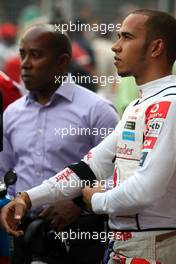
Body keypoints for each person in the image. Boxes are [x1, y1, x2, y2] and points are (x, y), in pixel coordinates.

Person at [2, 8, 176, 263]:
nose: (115, 47)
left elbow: (145, 189)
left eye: (126, 37)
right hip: (126, 246)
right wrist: (27, 198)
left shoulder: (169, 104)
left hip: (152, 248)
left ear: (156, 47)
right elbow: (89, 166)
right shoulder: (140, 105)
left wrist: (94, 201)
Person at [0, 24, 118, 264]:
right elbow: (5, 175)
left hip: (80, 235)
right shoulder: (11, 113)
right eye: (23, 54)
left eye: (36, 55)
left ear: (62, 62)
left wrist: (80, 205)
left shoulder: (97, 111)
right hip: (23, 235)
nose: (25, 64)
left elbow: (119, 175)